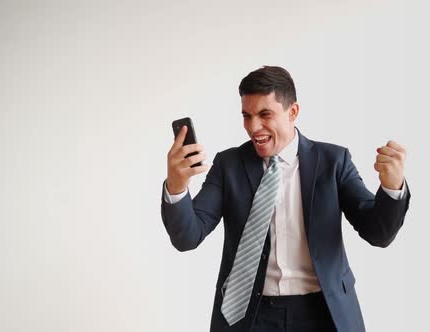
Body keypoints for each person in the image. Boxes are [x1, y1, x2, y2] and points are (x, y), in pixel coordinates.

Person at [161, 66, 411, 332]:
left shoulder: (334, 162)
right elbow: (187, 237)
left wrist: (392, 187)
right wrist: (177, 187)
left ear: (292, 112)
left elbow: (378, 233)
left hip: (323, 313)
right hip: (248, 316)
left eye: (264, 114)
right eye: (247, 115)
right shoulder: (229, 165)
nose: (253, 127)